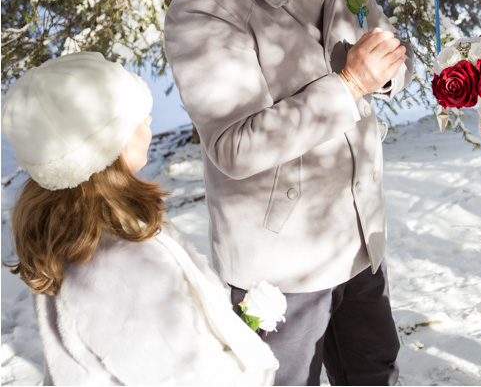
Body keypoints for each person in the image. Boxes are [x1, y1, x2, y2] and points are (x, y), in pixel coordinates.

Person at [164, 0, 412, 386]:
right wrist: (351, 84)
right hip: (281, 271)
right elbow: (234, 145)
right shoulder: (208, 11)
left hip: (360, 245)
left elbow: (391, 55)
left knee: (378, 377)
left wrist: (386, 72)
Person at [2, 52, 278, 386]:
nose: (149, 123)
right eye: (137, 117)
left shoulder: (80, 238)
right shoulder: (119, 265)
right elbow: (189, 375)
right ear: (103, 145)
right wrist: (248, 361)